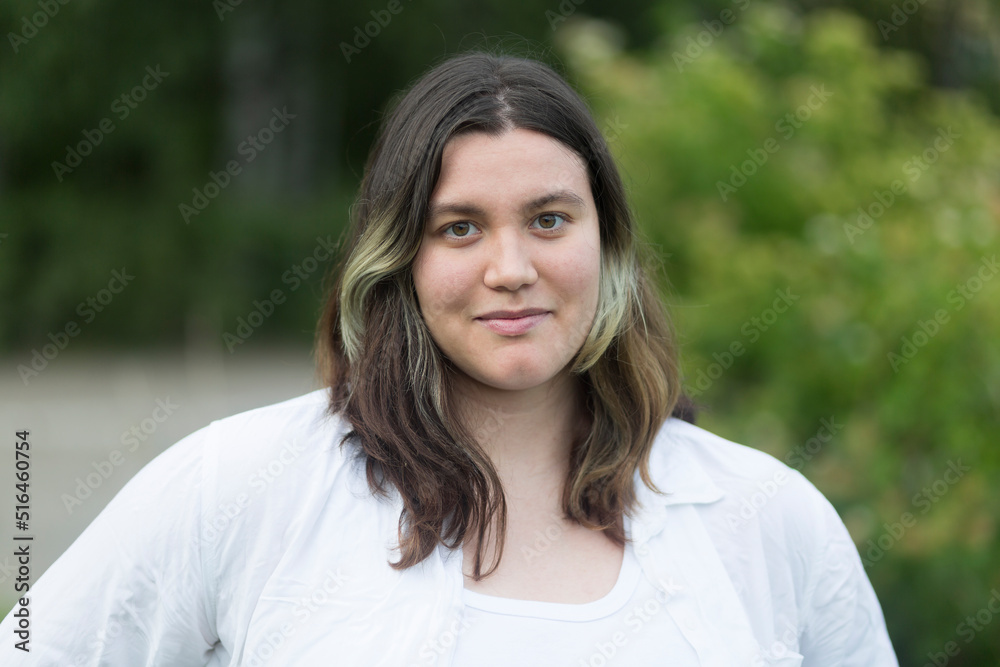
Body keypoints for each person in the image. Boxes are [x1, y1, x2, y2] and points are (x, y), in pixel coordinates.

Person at [1, 52, 898, 666]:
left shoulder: (768, 517)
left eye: (549, 219)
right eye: (459, 227)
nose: (511, 270)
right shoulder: (240, 483)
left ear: (607, 245)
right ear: (399, 257)